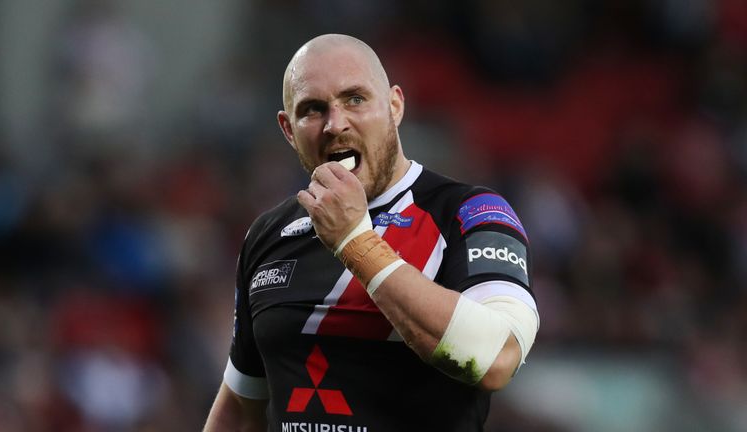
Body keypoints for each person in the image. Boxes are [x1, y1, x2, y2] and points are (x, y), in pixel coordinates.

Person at [203, 34, 539, 432]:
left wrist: (356, 244)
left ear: (395, 106)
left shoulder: (470, 213)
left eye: (355, 99)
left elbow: (497, 358)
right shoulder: (268, 234)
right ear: (288, 130)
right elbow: (241, 412)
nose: (335, 124)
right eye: (312, 109)